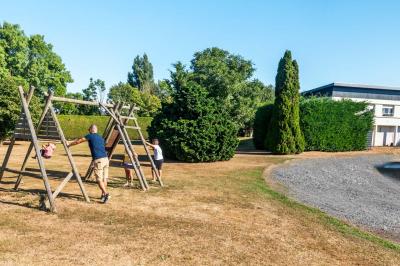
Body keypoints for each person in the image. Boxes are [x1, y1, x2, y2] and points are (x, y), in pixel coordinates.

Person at [68, 124, 110, 203]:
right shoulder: (101, 138)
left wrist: (69, 144)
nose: (88, 131)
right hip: (106, 159)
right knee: (105, 178)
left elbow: (79, 141)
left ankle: (106, 194)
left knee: (99, 179)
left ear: (91, 130)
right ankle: (103, 195)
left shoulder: (90, 136)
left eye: (89, 130)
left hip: (99, 160)